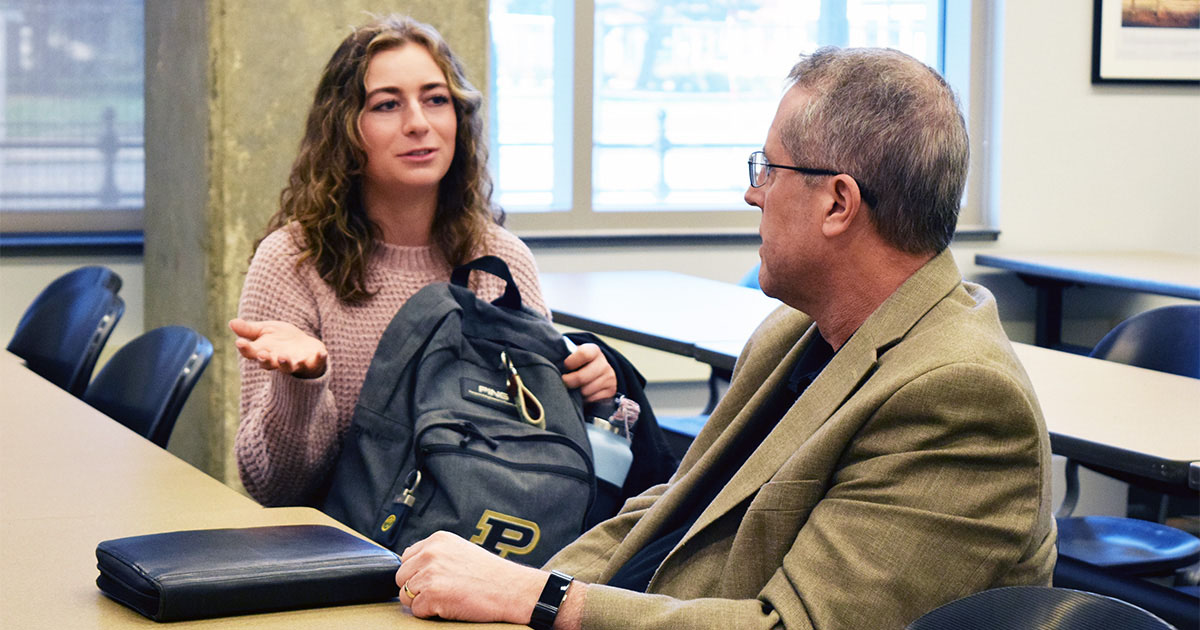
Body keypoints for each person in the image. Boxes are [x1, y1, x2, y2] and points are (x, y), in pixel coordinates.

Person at [389, 47, 1057, 630]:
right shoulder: (795, 332)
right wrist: (515, 592)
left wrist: (541, 600)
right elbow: (669, 511)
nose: (752, 193)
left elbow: (795, 627)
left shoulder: (961, 398)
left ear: (838, 203)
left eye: (769, 168)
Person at [231, 15, 616, 507]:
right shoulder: (294, 261)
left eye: (436, 99)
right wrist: (301, 385)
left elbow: (535, 451)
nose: (418, 123)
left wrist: (588, 394)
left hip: (481, 545)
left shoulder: (499, 258)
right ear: (345, 128)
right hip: (346, 556)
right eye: (387, 105)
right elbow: (273, 487)